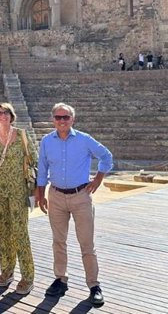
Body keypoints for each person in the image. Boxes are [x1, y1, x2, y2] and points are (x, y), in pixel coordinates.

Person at [36, 102, 113, 308]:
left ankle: (94, 285)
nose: (62, 121)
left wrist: (98, 178)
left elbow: (106, 156)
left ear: (73, 120)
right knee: (58, 241)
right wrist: (40, 193)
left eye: (66, 117)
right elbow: (42, 167)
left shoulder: (84, 139)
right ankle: (61, 279)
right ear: (53, 120)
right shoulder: (46, 141)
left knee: (86, 243)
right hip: (56, 196)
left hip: (81, 196)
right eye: (58, 117)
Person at [0, 103, 37, 296]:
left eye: (6, 113)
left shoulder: (22, 136)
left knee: (20, 232)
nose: (3, 116)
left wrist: (37, 191)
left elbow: (34, 160)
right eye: (0, 113)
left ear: (12, 116)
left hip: (18, 191)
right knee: (3, 231)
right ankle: (7, 271)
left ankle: (28, 276)